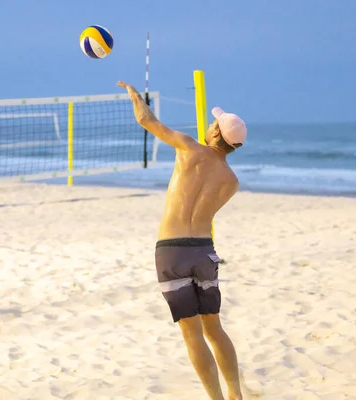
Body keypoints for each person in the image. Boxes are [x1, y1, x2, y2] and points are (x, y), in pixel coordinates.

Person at [118, 81, 246, 400]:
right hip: (204, 252)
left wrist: (136, 97)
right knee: (214, 328)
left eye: (213, 122)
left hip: (172, 251)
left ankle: (217, 399)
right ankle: (236, 394)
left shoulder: (189, 147)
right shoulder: (232, 182)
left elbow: (146, 121)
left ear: (216, 133)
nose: (208, 124)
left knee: (193, 335)